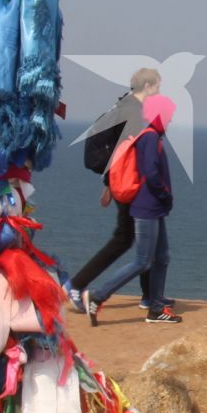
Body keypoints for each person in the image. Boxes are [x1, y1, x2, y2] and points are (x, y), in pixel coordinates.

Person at [66, 67, 159, 312]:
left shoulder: (122, 106)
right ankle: (76, 285)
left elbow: (117, 149)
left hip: (120, 181)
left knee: (144, 237)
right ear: (147, 86)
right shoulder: (133, 112)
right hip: (129, 184)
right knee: (126, 238)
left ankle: (150, 295)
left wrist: (109, 183)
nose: (158, 92)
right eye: (157, 86)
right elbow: (131, 152)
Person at [86, 92, 179, 324]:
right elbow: (150, 172)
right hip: (147, 207)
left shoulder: (150, 136)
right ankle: (98, 297)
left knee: (163, 257)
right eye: (168, 116)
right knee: (143, 261)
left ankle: (156, 308)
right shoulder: (149, 138)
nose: (170, 121)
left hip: (154, 208)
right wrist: (165, 194)